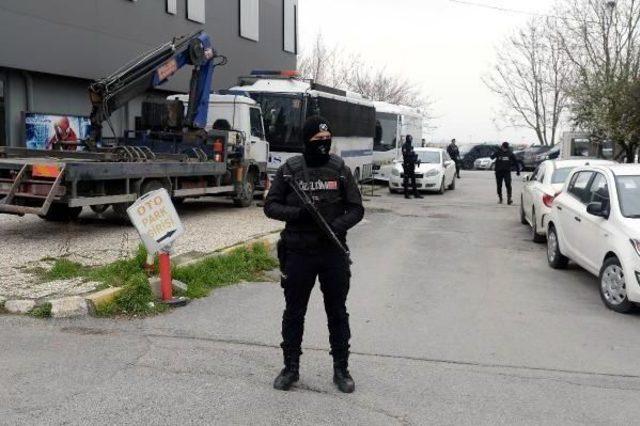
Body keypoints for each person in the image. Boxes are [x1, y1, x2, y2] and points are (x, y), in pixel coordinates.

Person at [264, 116, 364, 393]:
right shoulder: (290, 170)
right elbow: (270, 206)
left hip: (332, 252)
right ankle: (290, 368)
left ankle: (341, 369)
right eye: (317, 140)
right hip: (298, 252)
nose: (323, 144)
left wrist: (336, 226)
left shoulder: (340, 169)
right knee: (294, 311)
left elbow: (357, 209)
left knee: (337, 312)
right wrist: (299, 214)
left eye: (327, 139)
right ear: (307, 141)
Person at [401, 135, 423, 199]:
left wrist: (415, 157)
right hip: (407, 165)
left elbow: (412, 154)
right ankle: (406, 195)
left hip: (411, 165)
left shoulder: (410, 146)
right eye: (410, 138)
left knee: (413, 180)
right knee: (406, 180)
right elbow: (405, 154)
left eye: (411, 138)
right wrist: (411, 153)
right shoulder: (405, 145)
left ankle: (416, 194)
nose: (411, 140)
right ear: (407, 139)